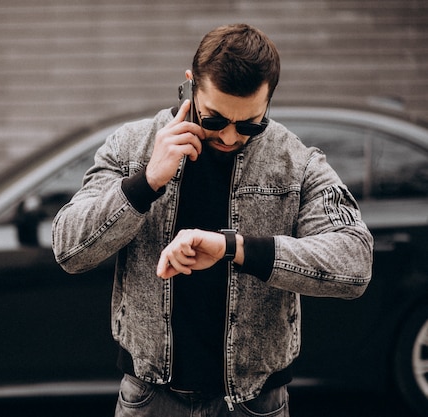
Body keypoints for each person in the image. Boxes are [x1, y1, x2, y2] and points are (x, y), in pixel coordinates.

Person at [52, 23, 373, 417]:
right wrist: (148, 181)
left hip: (255, 404)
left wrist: (234, 248)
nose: (230, 136)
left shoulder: (297, 163)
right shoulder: (132, 146)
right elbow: (68, 249)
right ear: (190, 85)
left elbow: (354, 263)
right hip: (151, 399)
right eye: (215, 119)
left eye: (250, 124)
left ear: (270, 99)